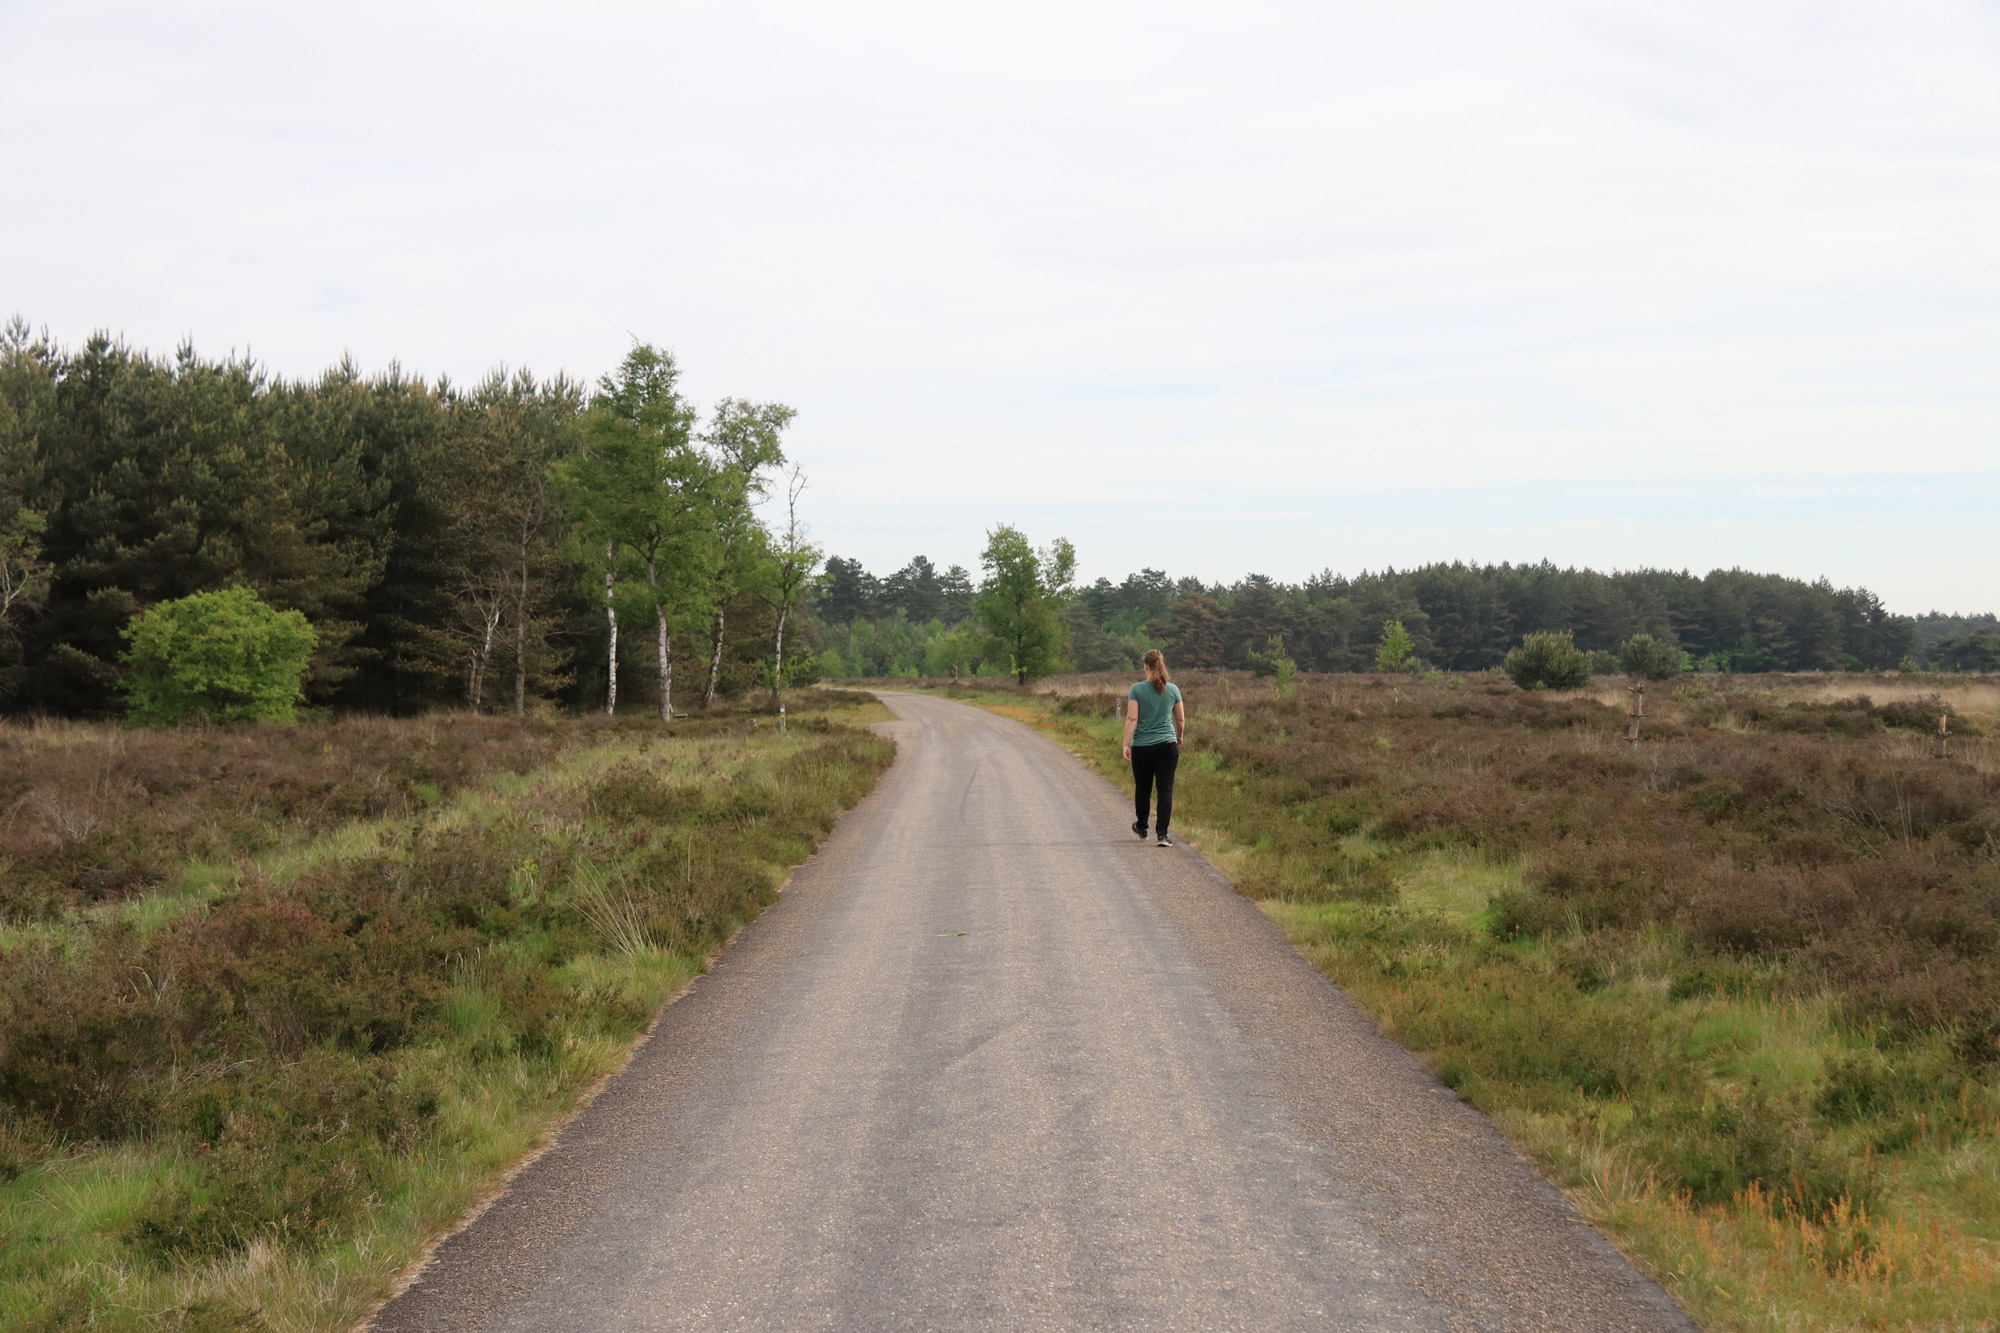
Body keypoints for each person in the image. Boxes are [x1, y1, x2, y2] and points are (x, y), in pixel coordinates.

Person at [1123, 648, 1184, 847]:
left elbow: (1132, 718)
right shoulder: (1173, 689)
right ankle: (1163, 835)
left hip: (1143, 746)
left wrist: (1125, 743)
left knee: (1143, 789)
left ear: (1145, 666)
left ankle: (1142, 827)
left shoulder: (1137, 689)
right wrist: (1179, 736)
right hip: (1168, 744)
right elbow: (1181, 719)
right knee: (1165, 790)